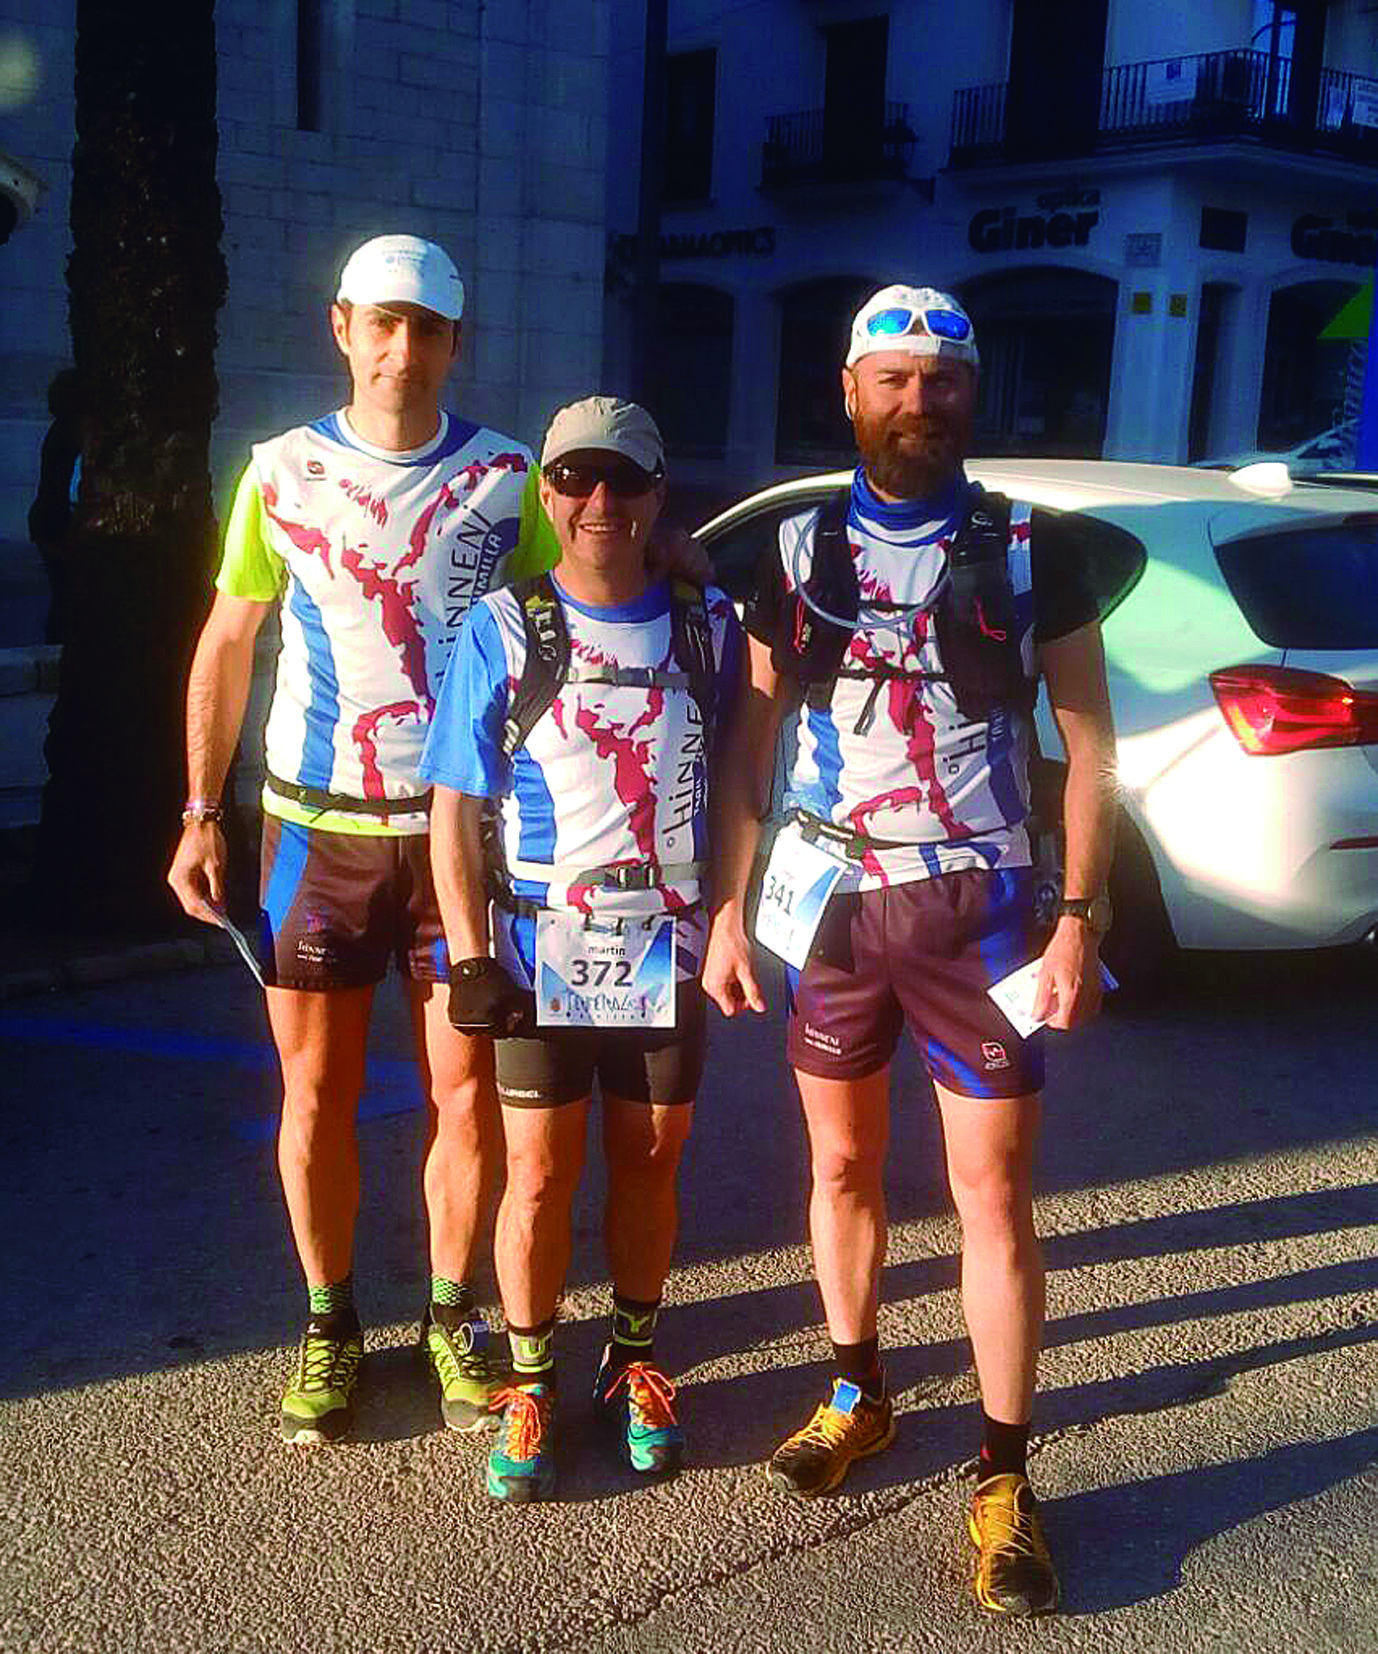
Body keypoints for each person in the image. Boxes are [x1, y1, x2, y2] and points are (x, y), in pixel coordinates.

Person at [702, 285, 1117, 1615]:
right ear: (849, 390)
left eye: (940, 380)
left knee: (990, 1192)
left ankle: (1003, 1472)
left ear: (970, 391)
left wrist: (1078, 918)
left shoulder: (1029, 547)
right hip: (828, 905)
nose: (916, 402)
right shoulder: (794, 547)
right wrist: (728, 908)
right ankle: (857, 1389)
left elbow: (1089, 747)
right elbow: (750, 745)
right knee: (838, 1162)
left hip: (979, 907)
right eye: (892, 379)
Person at [167, 234, 560, 1445]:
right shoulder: (280, 470)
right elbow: (229, 642)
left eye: (426, 328)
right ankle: (329, 1320)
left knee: (465, 1094)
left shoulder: (509, 476)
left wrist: (683, 565)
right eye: (381, 323)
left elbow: (569, 623)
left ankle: (450, 1315)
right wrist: (198, 812)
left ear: (455, 342)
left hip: (461, 841)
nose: (402, 349)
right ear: (341, 327)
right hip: (316, 831)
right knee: (315, 1092)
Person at [422, 396, 743, 1502]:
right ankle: (529, 1379)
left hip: (666, 944)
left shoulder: (711, 624)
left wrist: (734, 917)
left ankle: (632, 1360)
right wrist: (469, 954)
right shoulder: (503, 627)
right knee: (540, 1173)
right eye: (574, 478)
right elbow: (455, 804)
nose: (599, 499)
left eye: (626, 479)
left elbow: (742, 783)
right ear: (545, 492)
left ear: (659, 494)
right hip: (537, 946)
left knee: (651, 1156)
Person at [27, 367, 84, 643]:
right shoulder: (73, 436)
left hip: (46, 521)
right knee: (70, 596)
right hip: (58, 524)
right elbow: (74, 488)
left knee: (63, 594)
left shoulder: (59, 432)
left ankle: (58, 643)